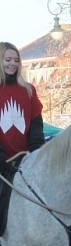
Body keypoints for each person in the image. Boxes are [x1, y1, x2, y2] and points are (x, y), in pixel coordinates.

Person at [0, 42, 44, 227]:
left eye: (16, 60)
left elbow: (35, 124)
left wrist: (36, 154)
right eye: (7, 59)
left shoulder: (28, 89)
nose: (12, 64)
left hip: (25, 160)